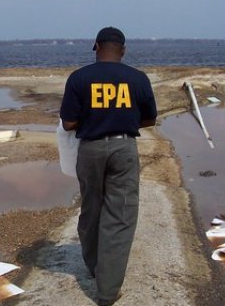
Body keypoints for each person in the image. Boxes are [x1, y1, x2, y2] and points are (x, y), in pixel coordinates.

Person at [60, 26, 157, 306]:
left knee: (91, 207)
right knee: (120, 216)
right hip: (124, 148)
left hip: (90, 150)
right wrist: (121, 118)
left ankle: (93, 267)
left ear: (96, 47)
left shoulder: (79, 78)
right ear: (123, 50)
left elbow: (68, 123)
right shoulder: (138, 79)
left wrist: (94, 119)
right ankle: (107, 293)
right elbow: (149, 119)